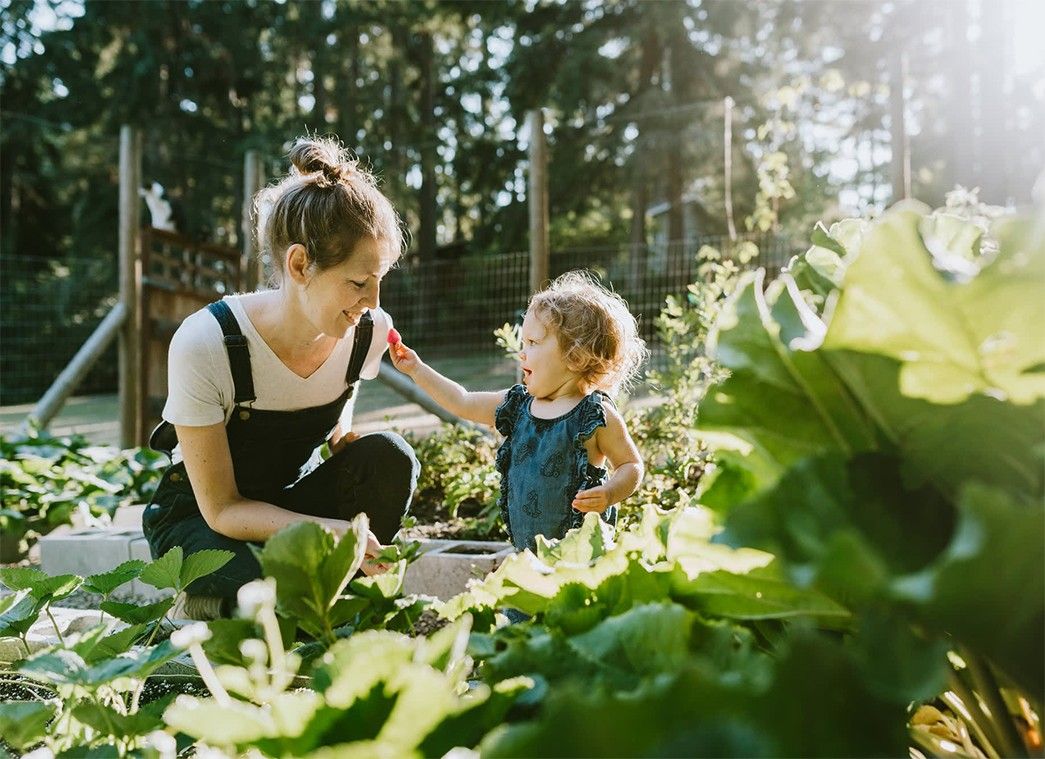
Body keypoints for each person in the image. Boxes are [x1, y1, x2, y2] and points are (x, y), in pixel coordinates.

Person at [143, 136, 419, 619]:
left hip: (283, 504)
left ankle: (310, 597)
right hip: (203, 524)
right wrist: (318, 532)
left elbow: (338, 396)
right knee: (280, 572)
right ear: (298, 265)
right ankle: (210, 603)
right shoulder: (207, 341)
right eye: (358, 282)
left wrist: (340, 437)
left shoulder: (366, 331)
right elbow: (223, 509)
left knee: (390, 458)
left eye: (380, 279)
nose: (373, 301)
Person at [389, 271, 647, 555]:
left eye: (533, 343)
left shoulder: (595, 416)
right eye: (523, 343)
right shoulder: (517, 406)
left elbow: (631, 465)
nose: (522, 353)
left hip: (582, 554)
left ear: (575, 356)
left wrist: (610, 493)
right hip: (528, 554)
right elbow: (461, 401)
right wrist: (416, 369)